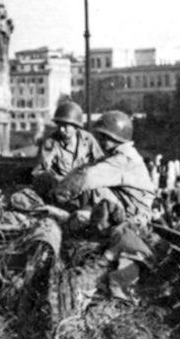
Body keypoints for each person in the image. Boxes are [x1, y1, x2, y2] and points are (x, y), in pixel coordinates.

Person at [54, 110, 155, 301]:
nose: (100, 140)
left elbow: (87, 177)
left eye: (104, 136)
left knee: (92, 190)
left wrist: (59, 195)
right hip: (126, 209)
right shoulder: (119, 155)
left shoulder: (123, 159)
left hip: (133, 217)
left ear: (115, 138)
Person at [32, 101, 103, 201]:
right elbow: (39, 173)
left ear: (75, 126)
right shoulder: (51, 142)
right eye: (59, 125)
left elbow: (101, 163)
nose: (61, 129)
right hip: (61, 193)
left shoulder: (87, 139)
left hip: (84, 191)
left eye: (65, 126)